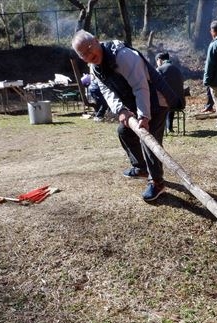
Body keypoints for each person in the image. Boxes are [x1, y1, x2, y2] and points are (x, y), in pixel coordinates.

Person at [72, 30, 181, 202]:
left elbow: (140, 87)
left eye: (89, 48)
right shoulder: (95, 67)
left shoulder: (123, 56)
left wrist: (144, 116)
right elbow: (106, 89)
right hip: (135, 102)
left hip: (156, 99)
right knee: (124, 131)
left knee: (149, 139)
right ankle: (141, 167)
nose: (88, 55)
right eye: (82, 54)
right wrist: (120, 110)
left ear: (97, 40)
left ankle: (157, 183)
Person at [155, 52, 185, 133]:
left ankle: (158, 128)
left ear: (159, 60)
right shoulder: (177, 69)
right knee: (170, 99)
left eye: (156, 61)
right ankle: (169, 127)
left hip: (166, 104)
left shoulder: (159, 70)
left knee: (162, 101)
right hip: (180, 103)